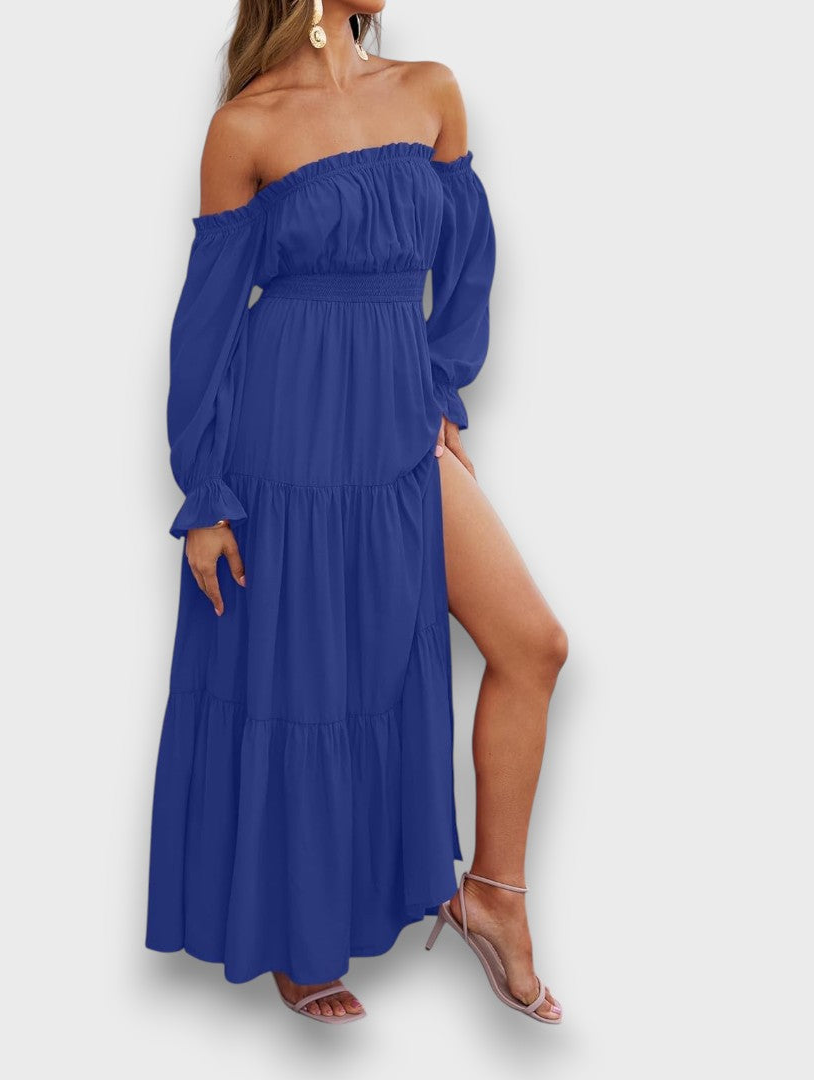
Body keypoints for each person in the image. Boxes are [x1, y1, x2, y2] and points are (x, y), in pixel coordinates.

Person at [146, 0, 568, 1025]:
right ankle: (300, 935)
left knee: (533, 645)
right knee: (305, 688)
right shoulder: (245, 127)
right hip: (282, 440)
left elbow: (468, 260)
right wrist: (205, 494)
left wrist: (440, 389)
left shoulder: (430, 92)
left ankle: (493, 897)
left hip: (396, 427)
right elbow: (207, 323)